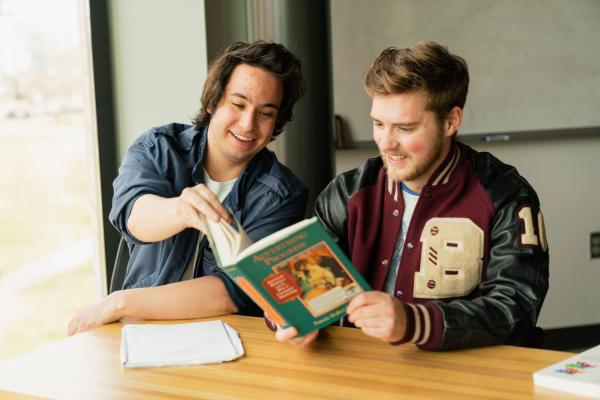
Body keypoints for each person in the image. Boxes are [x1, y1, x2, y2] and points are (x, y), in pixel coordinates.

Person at [275, 41, 549, 350]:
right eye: (378, 124)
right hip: (363, 368)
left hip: (463, 377)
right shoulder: (348, 192)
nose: (386, 143)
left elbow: (516, 307)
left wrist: (413, 323)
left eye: (405, 128)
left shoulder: (506, 195)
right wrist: (291, 316)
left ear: (450, 122)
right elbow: (305, 288)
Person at [68, 41, 308, 335]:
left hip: (228, 339)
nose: (248, 124)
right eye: (238, 104)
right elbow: (132, 216)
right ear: (212, 102)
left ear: (277, 121)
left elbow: (232, 293)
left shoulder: (283, 194)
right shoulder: (159, 147)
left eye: (266, 113)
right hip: (140, 331)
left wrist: (119, 302)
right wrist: (178, 210)